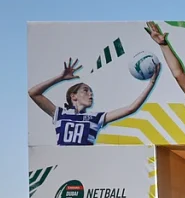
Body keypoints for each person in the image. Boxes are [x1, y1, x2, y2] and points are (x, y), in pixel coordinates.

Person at [28, 57, 161, 146]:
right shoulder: (59, 114)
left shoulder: (96, 118)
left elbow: (131, 108)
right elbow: (33, 93)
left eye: (91, 91)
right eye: (85, 90)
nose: (90, 94)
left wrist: (152, 83)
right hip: (63, 161)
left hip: (86, 162)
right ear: (73, 96)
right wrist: (60, 78)